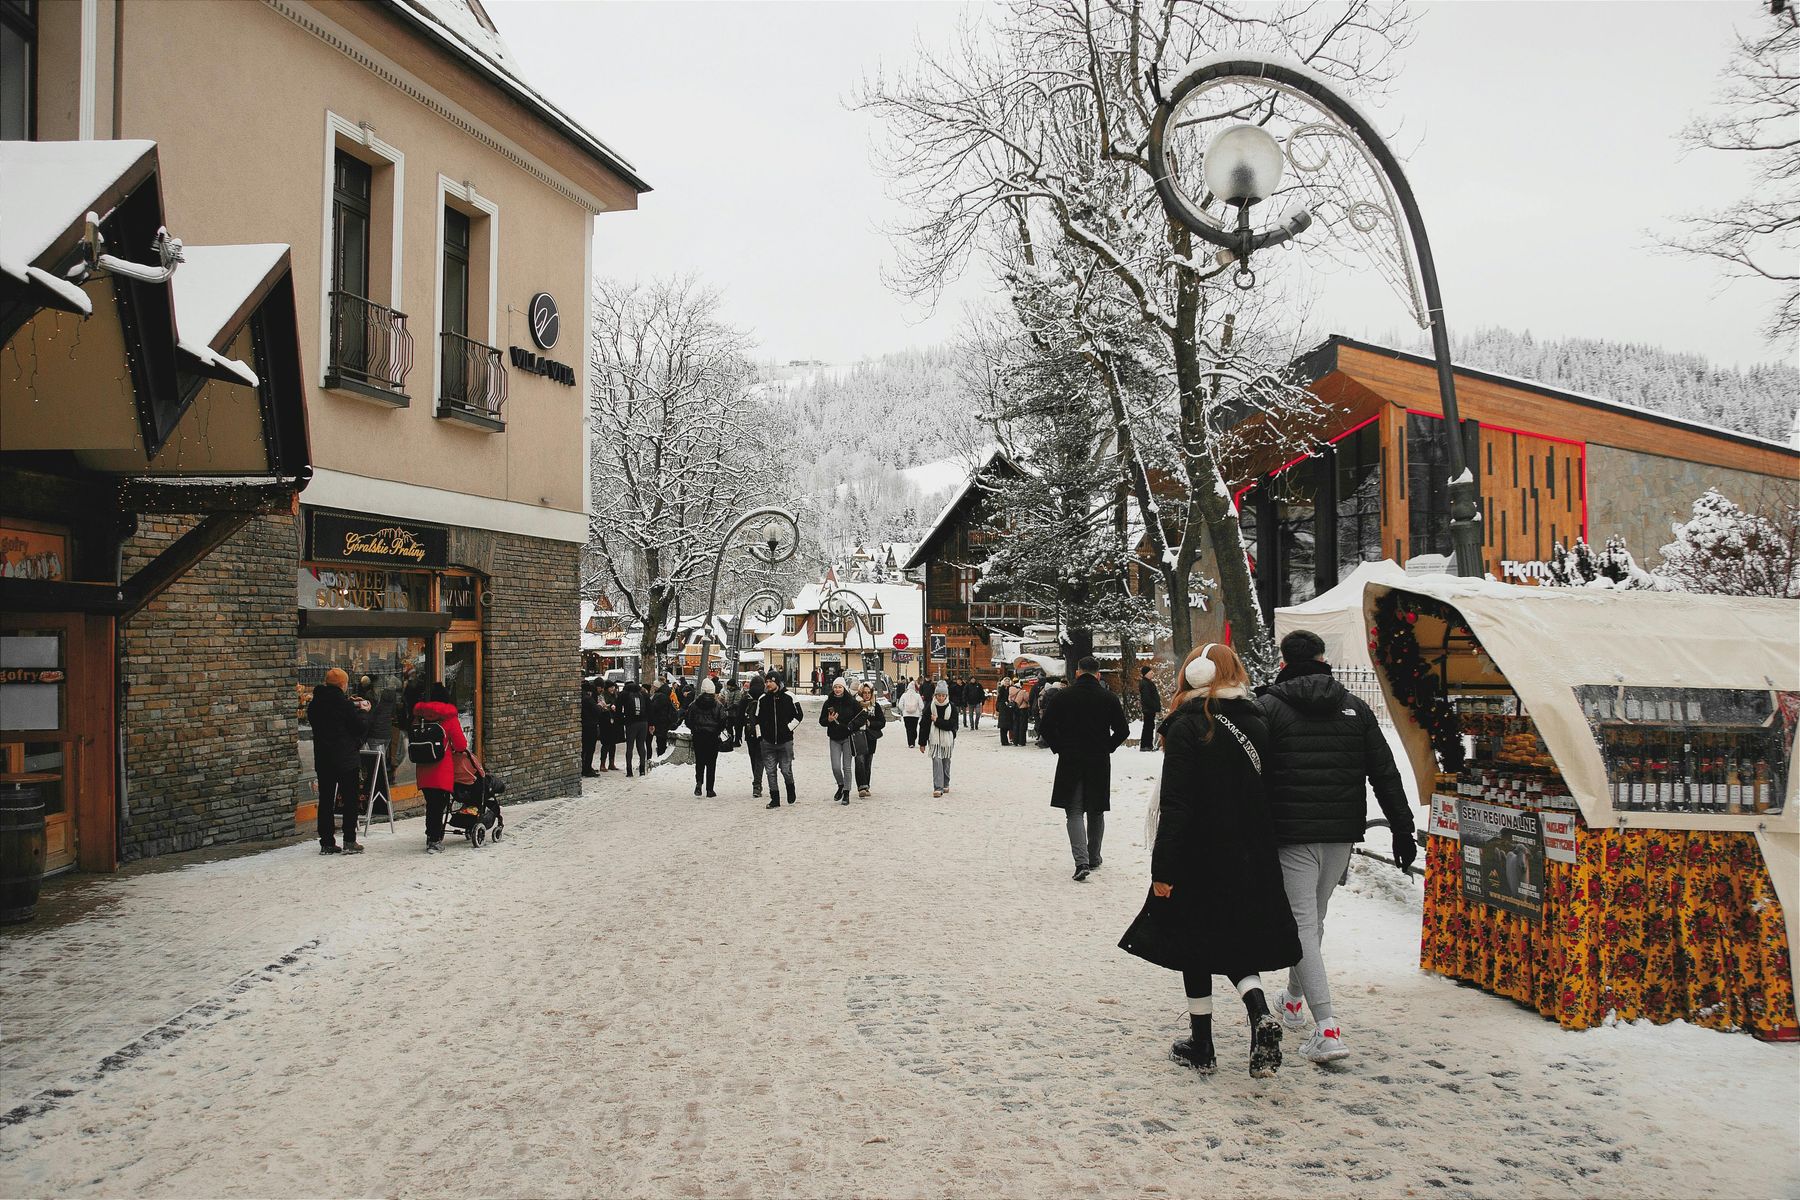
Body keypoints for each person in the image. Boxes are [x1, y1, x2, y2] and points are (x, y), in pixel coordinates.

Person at [1119, 643, 1301, 1079]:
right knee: (1234, 937)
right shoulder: (1258, 721)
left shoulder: (1187, 726)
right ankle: (1259, 1013)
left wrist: (1163, 869)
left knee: (1193, 942)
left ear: (1193, 676)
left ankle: (1202, 1043)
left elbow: (1177, 803)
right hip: (1250, 848)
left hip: (1199, 851)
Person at [1256, 627, 1415, 1066]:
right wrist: (1403, 829)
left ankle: (1326, 1028)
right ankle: (1291, 1000)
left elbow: (1251, 776)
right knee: (1313, 920)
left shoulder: (1268, 707)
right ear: (1324, 658)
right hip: (1341, 832)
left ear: (1283, 660)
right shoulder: (1355, 707)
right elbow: (1385, 773)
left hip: (1290, 833)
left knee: (1303, 925)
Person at [1039, 657, 1131, 881]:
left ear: (1078, 673)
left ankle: (1081, 861)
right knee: (1096, 809)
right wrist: (1107, 747)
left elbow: (1046, 727)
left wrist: (1060, 747)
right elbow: (1123, 730)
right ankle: (1094, 856)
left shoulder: (1063, 696)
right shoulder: (1108, 697)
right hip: (1098, 760)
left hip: (1071, 759)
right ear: (1098, 675)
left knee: (1074, 810)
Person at [308, 667, 369, 855]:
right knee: (350, 799)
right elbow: (358, 727)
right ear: (343, 684)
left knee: (326, 800)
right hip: (345, 758)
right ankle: (349, 840)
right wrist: (363, 712)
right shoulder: (343, 705)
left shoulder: (315, 704)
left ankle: (326, 842)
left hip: (324, 757)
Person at [411, 683, 465, 854]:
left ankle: (432, 836)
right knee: (437, 805)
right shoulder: (449, 717)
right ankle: (434, 840)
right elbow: (461, 744)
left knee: (432, 804)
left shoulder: (420, 716)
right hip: (441, 769)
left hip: (423, 768)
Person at [754, 671, 804, 807]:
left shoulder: (789, 696)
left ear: (777, 682)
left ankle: (790, 788)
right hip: (767, 742)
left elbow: (799, 715)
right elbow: (756, 719)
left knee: (786, 769)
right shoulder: (763, 699)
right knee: (770, 771)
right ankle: (775, 798)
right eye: (767, 681)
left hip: (785, 741)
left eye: (771, 681)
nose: (768, 684)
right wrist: (760, 736)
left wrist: (788, 728)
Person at [682, 679, 729, 797]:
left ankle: (699, 783)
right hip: (712, 737)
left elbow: (688, 720)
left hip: (698, 736)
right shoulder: (718, 705)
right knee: (711, 763)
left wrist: (694, 729)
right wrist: (717, 730)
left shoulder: (694, 705)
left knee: (700, 761)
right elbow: (723, 721)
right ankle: (710, 789)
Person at [820, 676, 860, 804]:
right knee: (835, 767)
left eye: (840, 687)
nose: (837, 689)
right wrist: (829, 720)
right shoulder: (828, 702)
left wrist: (852, 726)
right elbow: (822, 721)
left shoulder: (852, 702)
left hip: (847, 737)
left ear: (844, 688)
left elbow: (861, 716)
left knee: (846, 767)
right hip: (834, 738)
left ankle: (847, 793)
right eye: (835, 687)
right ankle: (841, 785)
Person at [918, 680, 958, 797]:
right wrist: (922, 743)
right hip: (934, 739)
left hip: (948, 740)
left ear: (946, 695)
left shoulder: (952, 707)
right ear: (935, 695)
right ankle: (938, 787)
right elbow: (923, 725)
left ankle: (945, 783)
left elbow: (952, 725)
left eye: (943, 695)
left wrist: (937, 721)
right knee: (936, 760)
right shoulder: (930, 707)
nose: (940, 698)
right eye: (938, 695)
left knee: (945, 762)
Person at [850, 682, 887, 797]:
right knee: (859, 760)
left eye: (868, 693)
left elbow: (882, 722)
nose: (866, 695)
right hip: (858, 736)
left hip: (871, 737)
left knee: (868, 762)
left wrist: (871, 723)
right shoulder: (856, 705)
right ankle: (861, 786)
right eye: (864, 693)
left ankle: (867, 785)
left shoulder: (875, 706)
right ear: (860, 693)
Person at [736, 673, 765, 797]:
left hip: (749, 732)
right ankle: (757, 783)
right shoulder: (766, 697)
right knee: (761, 758)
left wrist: (737, 735)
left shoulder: (745, 698)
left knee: (753, 757)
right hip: (763, 732)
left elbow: (739, 718)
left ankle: (757, 783)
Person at [619, 680, 652, 777]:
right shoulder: (644, 694)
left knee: (630, 746)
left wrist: (620, 721)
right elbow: (650, 709)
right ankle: (642, 769)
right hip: (643, 723)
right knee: (641, 745)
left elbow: (618, 709)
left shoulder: (623, 695)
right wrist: (651, 723)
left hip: (631, 723)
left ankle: (629, 771)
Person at [649, 677, 680, 756]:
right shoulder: (667, 693)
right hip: (666, 721)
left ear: (657, 687)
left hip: (660, 722)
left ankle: (661, 756)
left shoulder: (659, 696)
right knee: (662, 741)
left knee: (660, 742)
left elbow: (653, 709)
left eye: (654, 687)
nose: (653, 688)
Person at [597, 681, 622, 772]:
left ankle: (611, 763)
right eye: (611, 687)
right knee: (606, 743)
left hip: (614, 721)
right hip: (605, 721)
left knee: (613, 743)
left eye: (613, 687)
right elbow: (602, 706)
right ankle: (602, 764)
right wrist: (610, 706)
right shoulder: (602, 696)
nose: (613, 689)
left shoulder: (615, 696)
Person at [581, 679, 604, 778]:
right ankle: (587, 768)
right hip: (590, 726)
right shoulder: (588, 699)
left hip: (584, 725)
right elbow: (596, 711)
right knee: (590, 748)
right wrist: (599, 706)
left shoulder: (582, 697)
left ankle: (585, 767)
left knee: (585, 749)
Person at [1138, 665, 1162, 752]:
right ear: (1145, 674)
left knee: (1149, 726)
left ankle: (1147, 745)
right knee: (1148, 727)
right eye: (1150, 672)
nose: (1152, 673)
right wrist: (1154, 706)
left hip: (1149, 709)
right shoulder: (1145, 684)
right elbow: (1146, 698)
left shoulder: (1147, 683)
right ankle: (1146, 745)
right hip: (1149, 709)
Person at [898, 680, 924, 748]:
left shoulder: (904, 695)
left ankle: (910, 743)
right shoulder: (917, 695)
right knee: (914, 728)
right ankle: (914, 737)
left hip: (906, 715)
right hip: (915, 715)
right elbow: (922, 706)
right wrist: (919, 711)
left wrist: (903, 710)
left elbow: (900, 705)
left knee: (908, 729)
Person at [996, 675, 1015, 746]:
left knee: (1008, 725)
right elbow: (999, 699)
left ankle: (1008, 740)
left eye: (1008, 681)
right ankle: (1004, 741)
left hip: (1009, 709)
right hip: (1003, 709)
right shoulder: (1001, 689)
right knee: (1003, 727)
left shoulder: (1011, 688)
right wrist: (998, 707)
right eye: (1006, 681)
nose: (1007, 682)